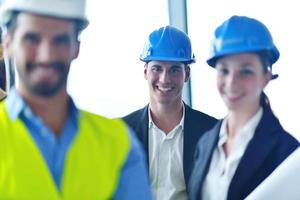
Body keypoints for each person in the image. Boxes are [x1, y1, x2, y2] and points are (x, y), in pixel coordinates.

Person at [0, 0, 152, 199]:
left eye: (60, 40)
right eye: (32, 39)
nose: (46, 55)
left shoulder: (118, 143)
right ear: (8, 44)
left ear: (76, 47)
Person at [188, 15, 299, 200]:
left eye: (245, 71)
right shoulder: (205, 142)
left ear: (266, 76)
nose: (231, 82)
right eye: (224, 70)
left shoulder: (287, 152)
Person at [123, 25, 217, 200]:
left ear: (186, 74)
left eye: (174, 69)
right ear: (145, 72)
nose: (165, 79)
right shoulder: (120, 132)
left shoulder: (212, 132)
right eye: (157, 68)